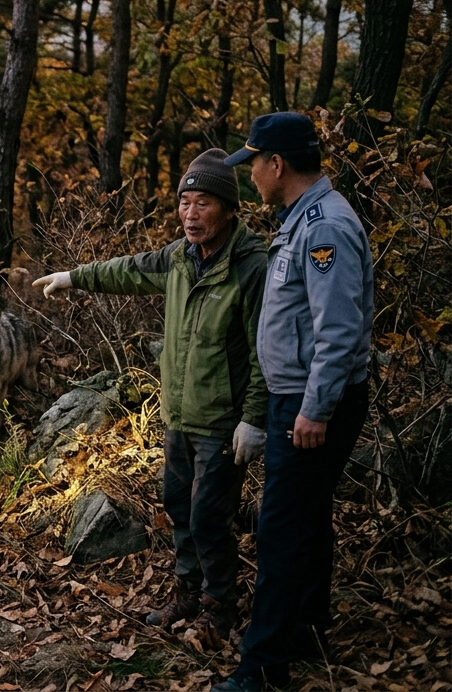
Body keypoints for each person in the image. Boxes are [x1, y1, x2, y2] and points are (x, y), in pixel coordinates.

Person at [33, 149, 268, 643]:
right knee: (178, 505)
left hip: (222, 422)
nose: (191, 214)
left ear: (229, 209)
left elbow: (265, 353)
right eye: (185, 203)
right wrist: (73, 277)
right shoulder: (179, 259)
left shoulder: (252, 267)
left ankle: (219, 608)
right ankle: (187, 593)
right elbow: (128, 269)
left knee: (210, 517)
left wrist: (254, 419)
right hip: (180, 415)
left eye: (203, 203)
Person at [213, 114, 373, 692]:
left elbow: (339, 331)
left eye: (253, 163)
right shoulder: (300, 222)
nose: (250, 175)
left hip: (306, 404)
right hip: (299, 397)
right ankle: (306, 628)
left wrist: (315, 408)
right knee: (306, 518)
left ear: (276, 164)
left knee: (280, 529)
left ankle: (262, 669)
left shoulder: (324, 228)